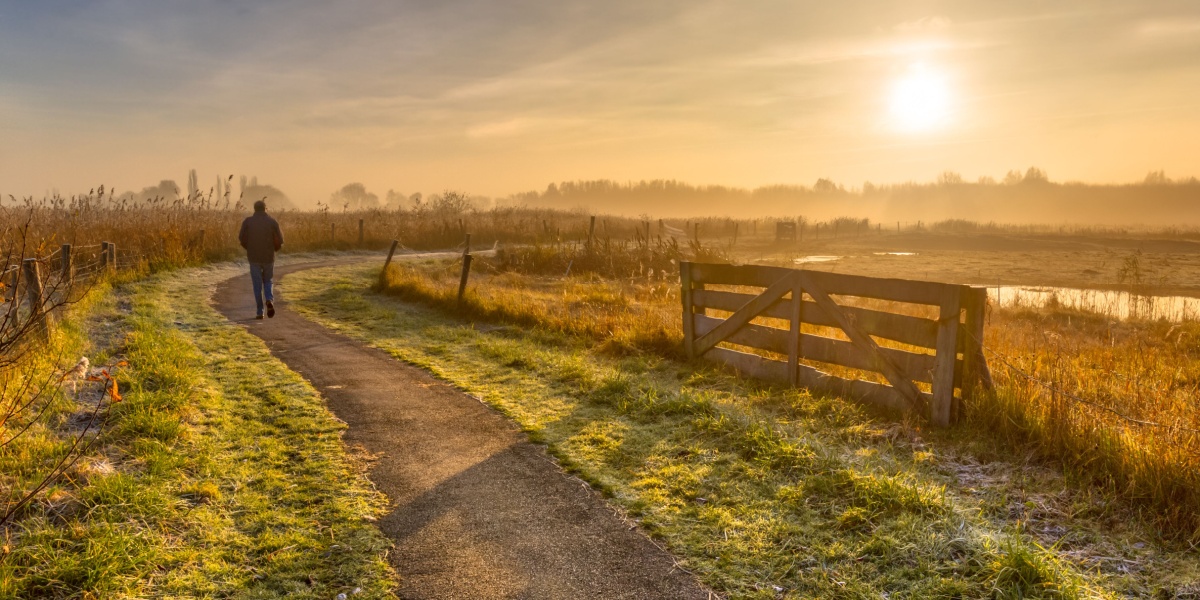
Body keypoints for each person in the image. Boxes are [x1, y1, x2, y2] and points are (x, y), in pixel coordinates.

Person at [238, 200, 284, 319]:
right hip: (269, 257)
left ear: (254, 209)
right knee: (268, 280)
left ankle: (260, 311)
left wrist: (249, 248)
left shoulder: (248, 222)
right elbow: (280, 239)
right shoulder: (272, 222)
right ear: (265, 208)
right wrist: (275, 249)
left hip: (253, 257)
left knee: (257, 285)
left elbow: (241, 238)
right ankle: (269, 299)